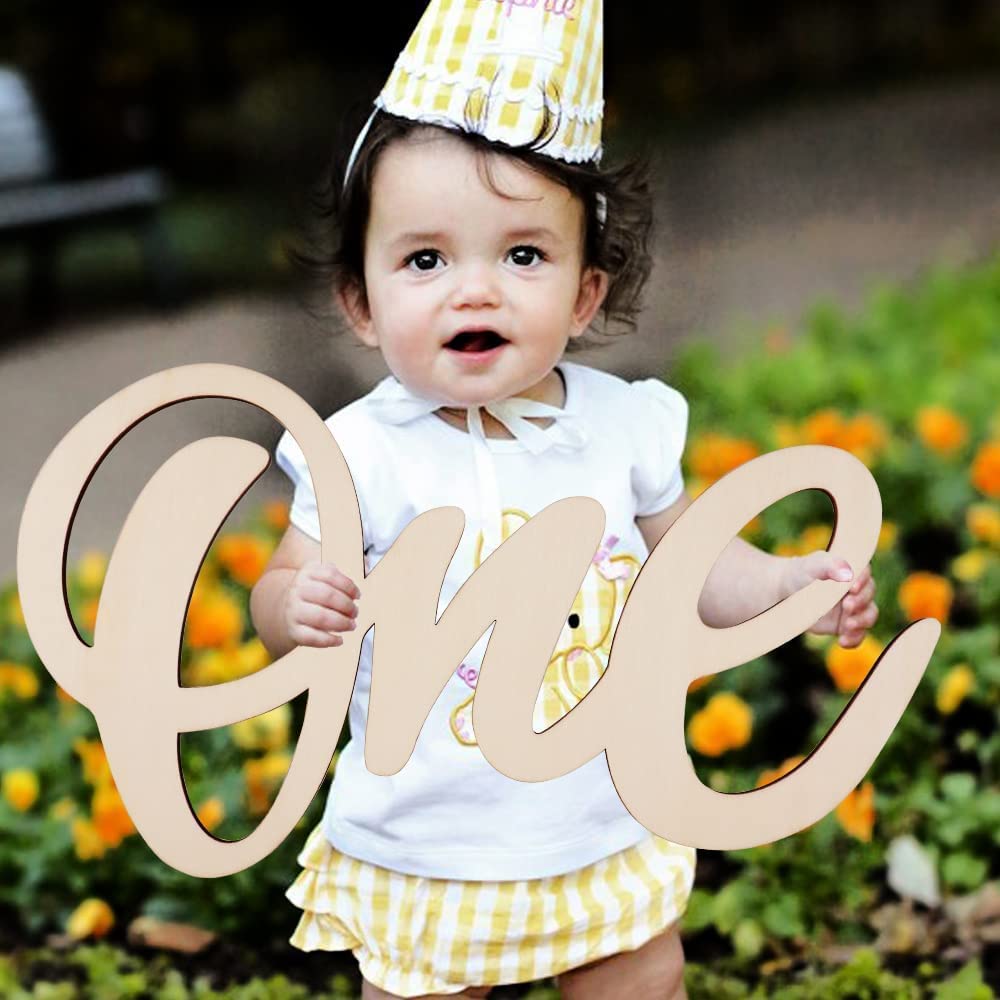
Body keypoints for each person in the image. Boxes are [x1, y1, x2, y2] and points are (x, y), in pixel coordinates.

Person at [249, 1, 879, 996]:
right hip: (426, 841)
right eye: (425, 259)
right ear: (361, 305)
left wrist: (785, 587)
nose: (474, 290)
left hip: (599, 819)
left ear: (585, 293)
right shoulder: (359, 454)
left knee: (642, 976)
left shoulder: (620, 427)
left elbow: (692, 562)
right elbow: (275, 594)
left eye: (523, 255)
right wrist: (297, 603)